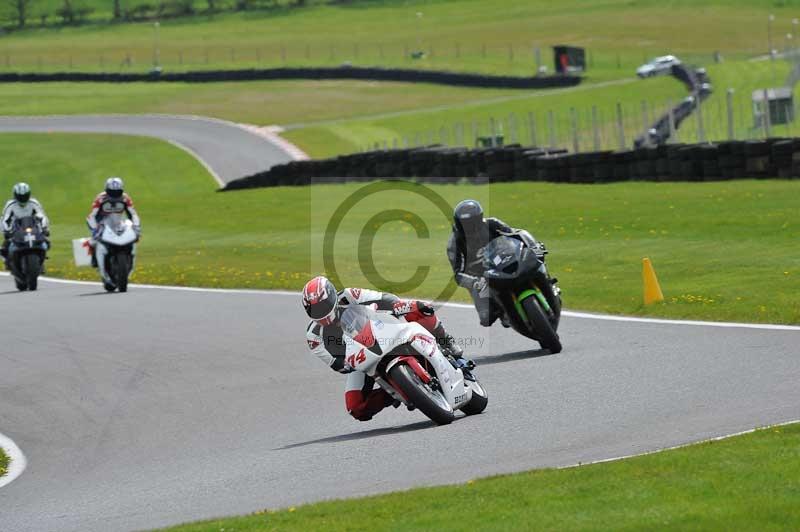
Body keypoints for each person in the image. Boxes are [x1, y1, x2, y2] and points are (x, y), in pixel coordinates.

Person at [302, 275, 470, 422]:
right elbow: (334, 363)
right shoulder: (314, 336)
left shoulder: (348, 295)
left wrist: (401, 306)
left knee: (420, 309)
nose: (321, 313)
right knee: (355, 406)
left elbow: (385, 298)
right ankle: (396, 393)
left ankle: (447, 342)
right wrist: (346, 364)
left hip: (382, 328)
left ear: (332, 296)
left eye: (323, 307)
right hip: (360, 359)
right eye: (315, 310)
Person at [446, 199, 548, 327]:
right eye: (465, 223)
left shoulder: (492, 223)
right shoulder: (455, 243)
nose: (469, 227)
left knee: (534, 260)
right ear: (458, 224)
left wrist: (533, 246)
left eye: (472, 222)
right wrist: (474, 282)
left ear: (479, 218)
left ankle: (548, 281)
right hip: (480, 278)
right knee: (486, 317)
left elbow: (515, 234)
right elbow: (458, 274)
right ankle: (504, 313)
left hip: (502, 261)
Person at [86, 177, 141, 283]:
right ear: (107, 190)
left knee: (133, 239)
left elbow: (133, 214)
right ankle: (95, 260)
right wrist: (94, 229)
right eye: (112, 192)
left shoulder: (125, 198)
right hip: (103, 224)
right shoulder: (100, 198)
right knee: (93, 241)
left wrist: (136, 226)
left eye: (117, 192)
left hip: (119, 224)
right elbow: (92, 216)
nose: (115, 194)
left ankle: (129, 263)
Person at [1, 182, 50, 267]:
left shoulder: (34, 203)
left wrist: (44, 228)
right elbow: (5, 219)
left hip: (32, 228)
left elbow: (42, 216)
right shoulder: (10, 205)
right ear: (15, 195)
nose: (23, 198)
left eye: (25, 196)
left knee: (46, 242)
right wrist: (7, 231)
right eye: (20, 196)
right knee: (5, 245)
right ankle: (7, 261)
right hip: (17, 229)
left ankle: (41, 261)